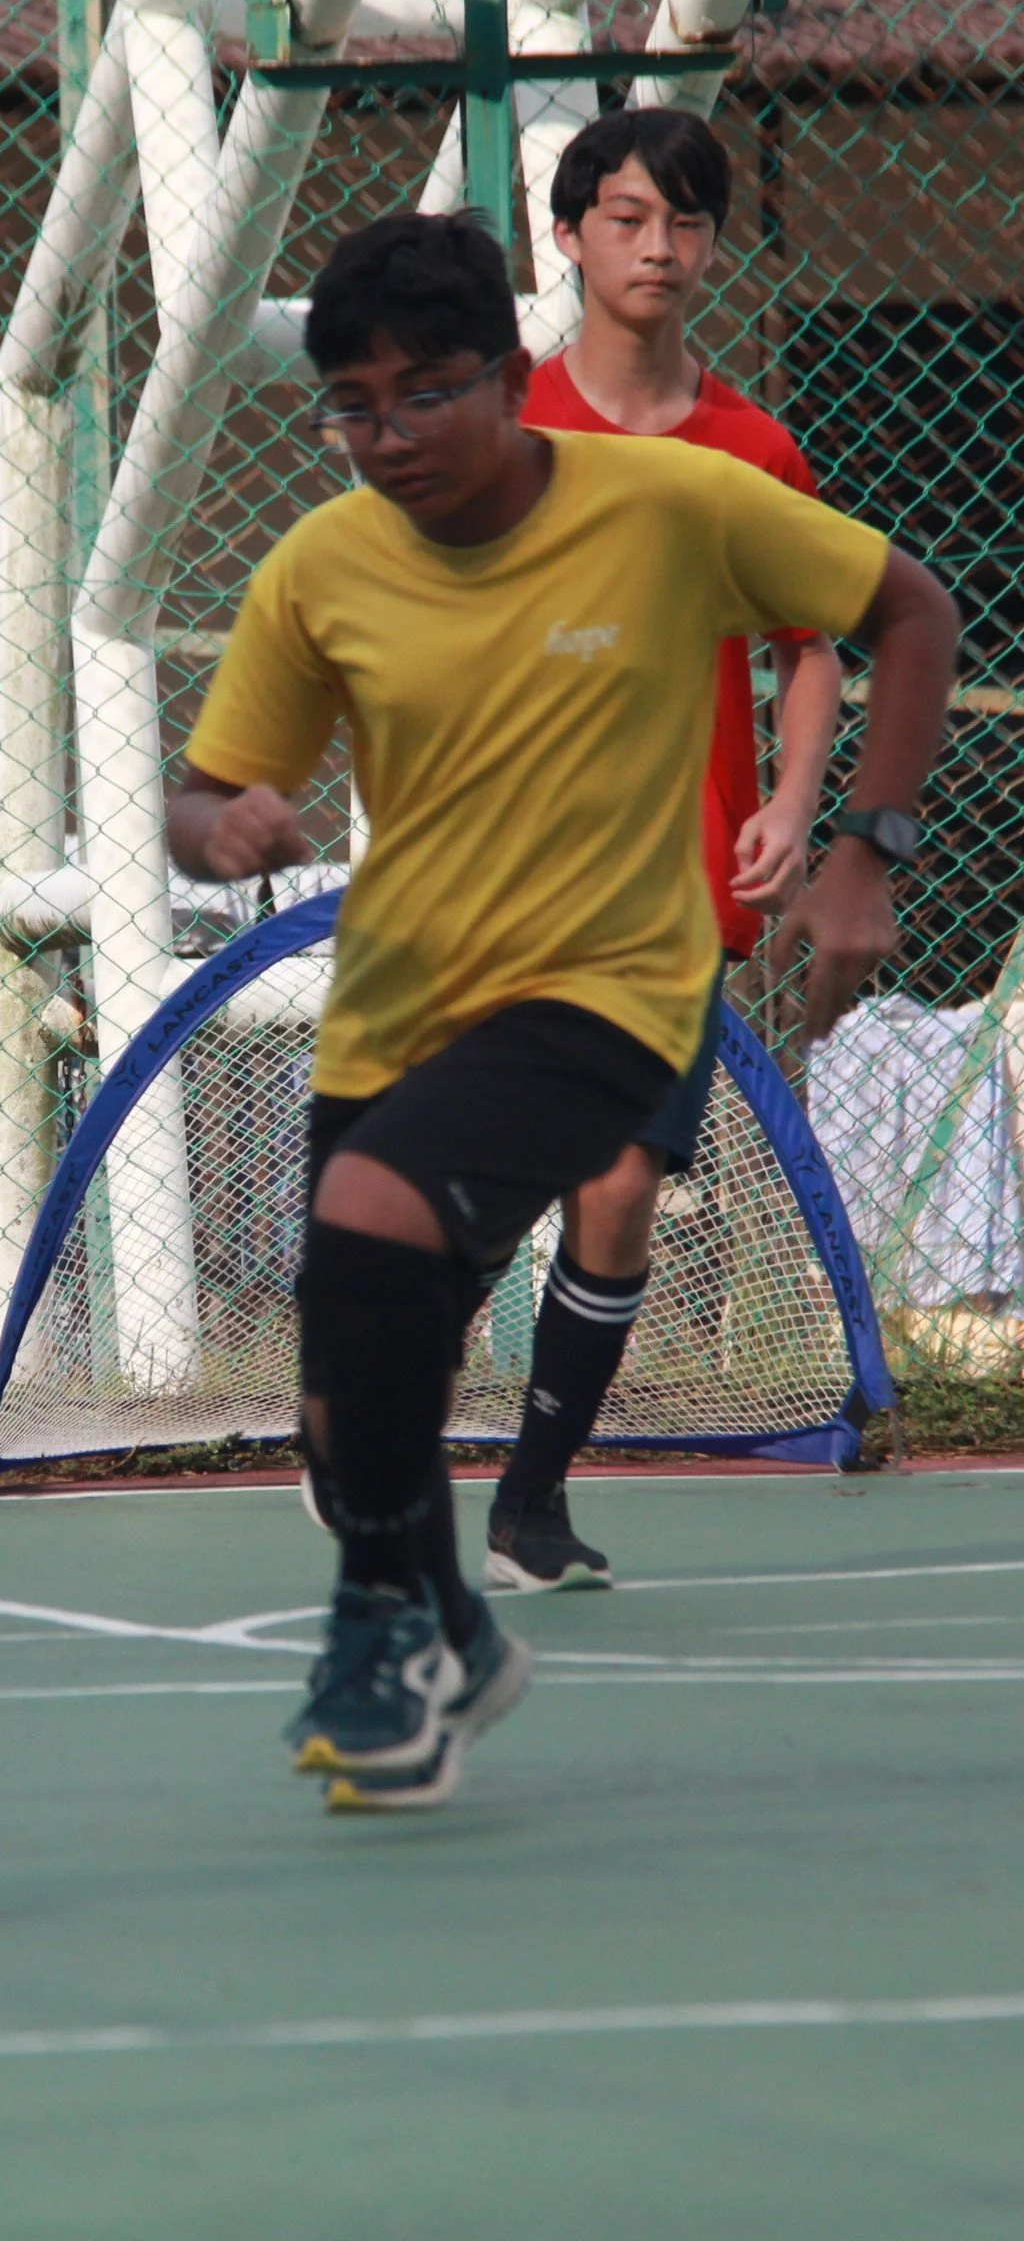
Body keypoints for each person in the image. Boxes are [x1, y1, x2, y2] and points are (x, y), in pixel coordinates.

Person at [168, 210, 952, 1813]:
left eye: (428, 392)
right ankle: (451, 1611)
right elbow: (201, 792)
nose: (391, 436)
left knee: (375, 1218)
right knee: (348, 1428)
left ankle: (381, 1634)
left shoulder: (672, 507)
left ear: (512, 379)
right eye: (355, 405)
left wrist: (867, 848)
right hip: (396, 1011)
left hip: (608, 990)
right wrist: (225, 822)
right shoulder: (320, 570)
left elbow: (913, 613)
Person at [484, 106, 848, 1593]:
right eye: (626, 217)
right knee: (480, 1169)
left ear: (710, 244)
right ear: (565, 239)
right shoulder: (500, 423)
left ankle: (530, 1502)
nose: (658, 245)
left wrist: (790, 802)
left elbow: (812, 648)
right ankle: (357, 1404)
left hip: (674, 884)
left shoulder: (752, 446)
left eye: (684, 220)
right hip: (502, 873)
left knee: (624, 1184)